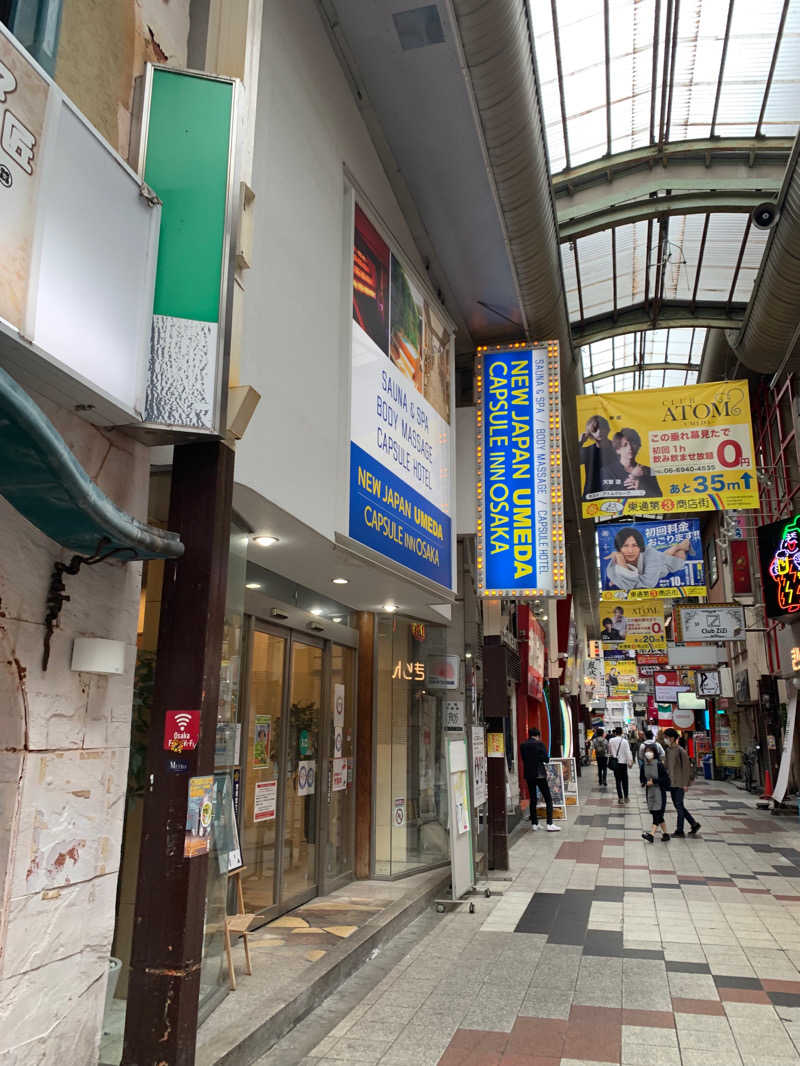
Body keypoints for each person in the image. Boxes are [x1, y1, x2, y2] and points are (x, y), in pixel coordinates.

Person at [605, 527, 693, 592]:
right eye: (625, 546)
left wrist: (622, 577)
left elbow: (647, 583)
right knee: (661, 556)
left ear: (640, 547)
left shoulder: (649, 553)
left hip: (666, 566)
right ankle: (679, 546)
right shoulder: (612, 566)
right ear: (619, 548)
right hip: (659, 560)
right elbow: (623, 580)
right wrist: (621, 576)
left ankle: (680, 546)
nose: (630, 551)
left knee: (680, 555)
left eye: (634, 545)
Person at [520, 728, 561, 832]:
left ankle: (534, 824)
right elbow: (546, 759)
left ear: (529, 735)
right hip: (539, 774)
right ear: (538, 735)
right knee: (548, 798)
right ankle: (550, 823)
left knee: (533, 798)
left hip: (529, 774)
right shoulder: (539, 744)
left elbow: (524, 759)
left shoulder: (523, 745)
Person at [579, 415, 630, 498]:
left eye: (602, 428)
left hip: (616, 493)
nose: (599, 432)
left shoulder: (618, 449)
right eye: (595, 429)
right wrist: (580, 443)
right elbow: (573, 463)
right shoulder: (588, 451)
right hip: (593, 495)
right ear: (590, 433)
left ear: (607, 429)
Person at [663, 728, 701, 837]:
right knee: (678, 805)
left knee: (679, 806)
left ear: (672, 738)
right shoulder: (668, 750)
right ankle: (694, 824)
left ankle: (680, 830)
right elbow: (666, 766)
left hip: (680, 783)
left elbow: (686, 768)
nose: (665, 739)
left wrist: (685, 784)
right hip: (672, 782)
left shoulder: (681, 751)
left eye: (666, 737)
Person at [612, 428, 662, 497]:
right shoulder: (607, 471)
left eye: (633, 443)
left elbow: (659, 498)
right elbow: (607, 496)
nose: (630, 447)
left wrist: (642, 487)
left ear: (638, 447)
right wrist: (633, 475)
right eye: (625, 444)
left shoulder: (648, 471)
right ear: (617, 449)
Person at [641, 742, 671, 843]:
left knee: (657, 813)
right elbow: (642, 778)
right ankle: (666, 834)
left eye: (650, 751)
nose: (648, 753)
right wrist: (645, 782)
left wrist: (654, 781)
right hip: (649, 792)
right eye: (646, 751)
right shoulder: (644, 765)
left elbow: (666, 779)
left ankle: (651, 834)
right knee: (656, 813)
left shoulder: (659, 765)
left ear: (655, 753)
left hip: (659, 792)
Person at [608, 726, 633, 804]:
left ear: (615, 732)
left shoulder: (611, 740)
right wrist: (630, 762)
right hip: (623, 763)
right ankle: (626, 797)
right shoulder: (625, 741)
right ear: (621, 732)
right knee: (625, 781)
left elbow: (609, 751)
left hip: (615, 763)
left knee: (617, 781)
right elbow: (628, 752)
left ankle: (620, 798)